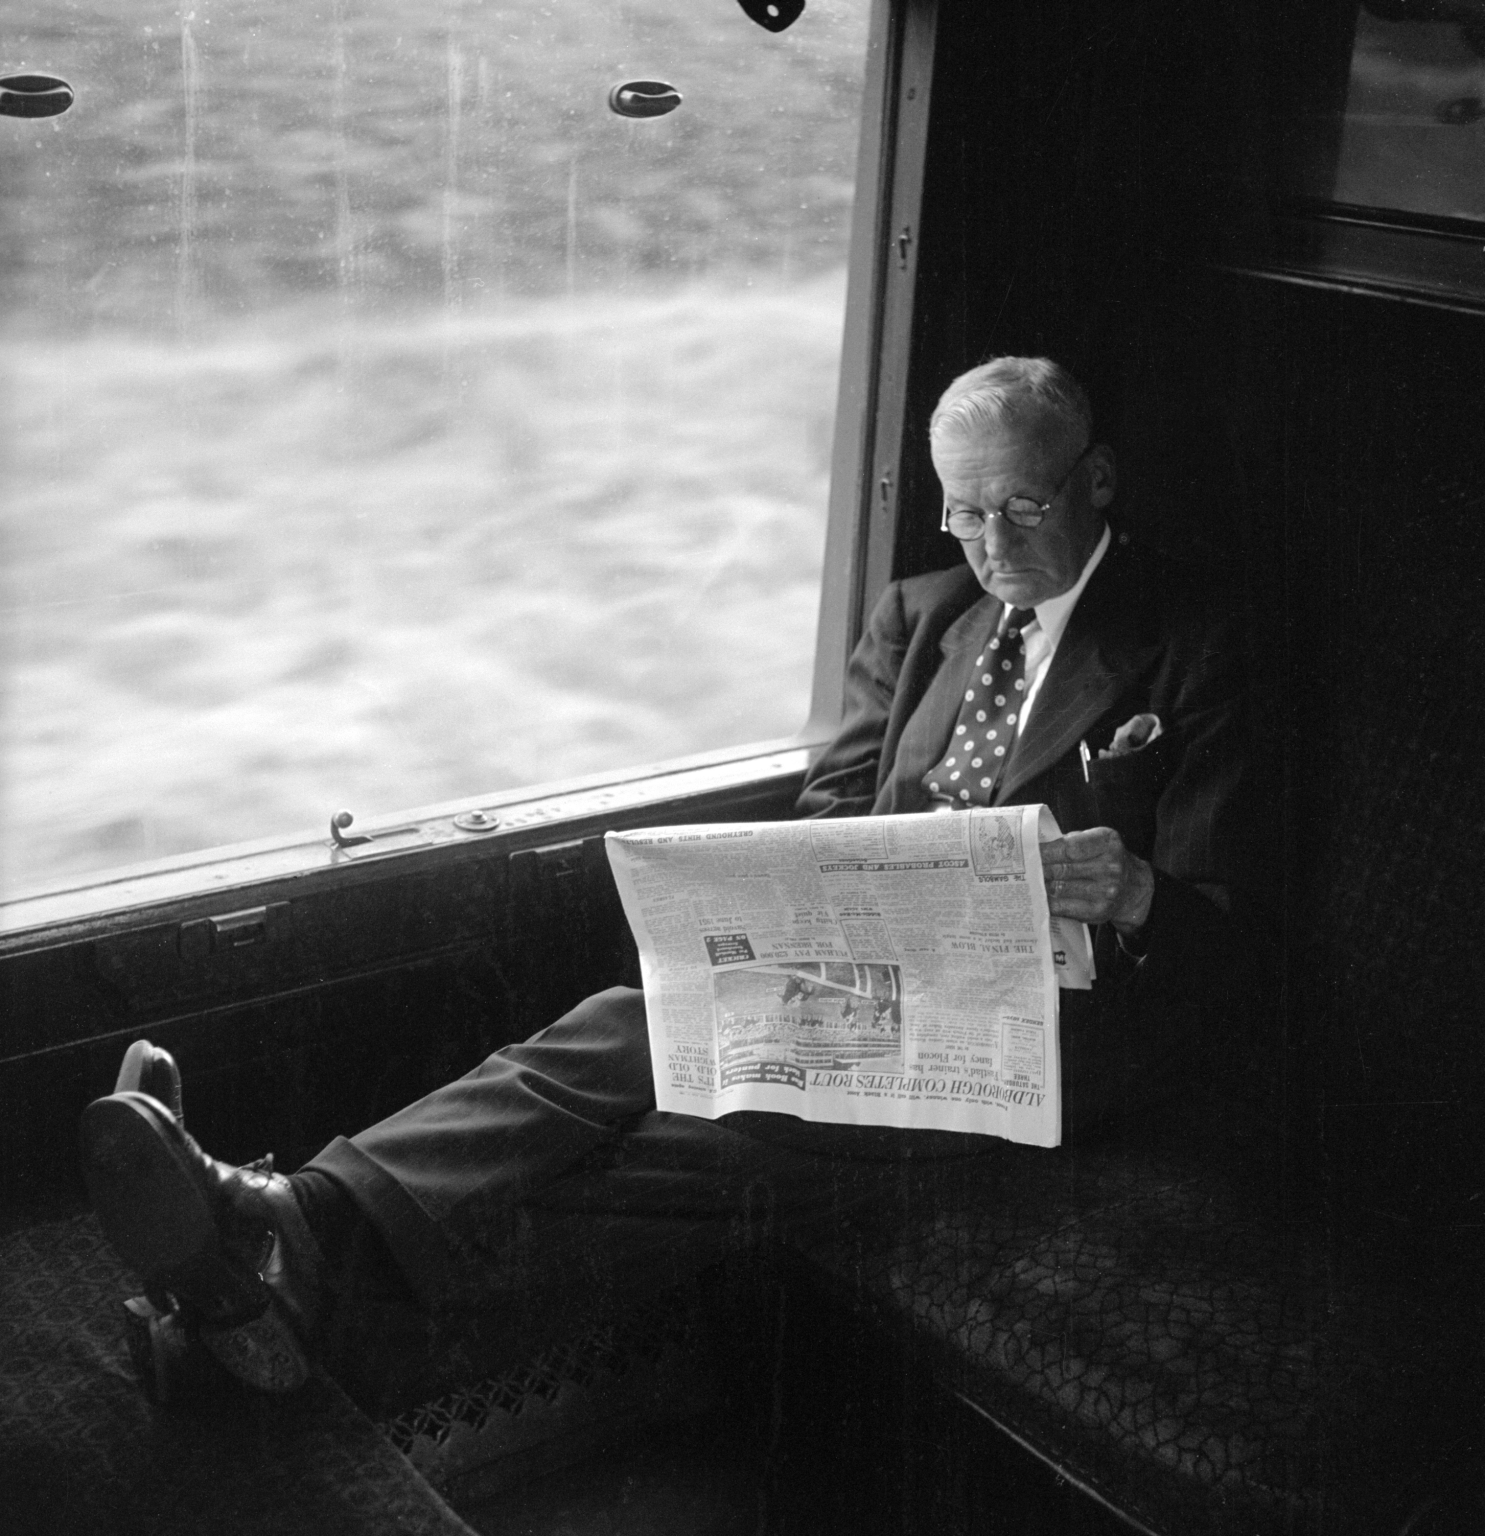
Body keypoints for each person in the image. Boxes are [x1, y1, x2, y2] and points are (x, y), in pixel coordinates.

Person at [80, 357, 1258, 1401]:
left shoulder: (1192, 638)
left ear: (1097, 481)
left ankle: (280, 1243)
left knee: (697, 1131)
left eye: (1024, 509)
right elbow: (833, 817)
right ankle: (279, 1281)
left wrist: (1134, 889)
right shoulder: (924, 615)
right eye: (964, 514)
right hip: (873, 986)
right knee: (639, 1029)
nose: (992, 547)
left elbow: (1233, 937)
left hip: (1041, 1046)